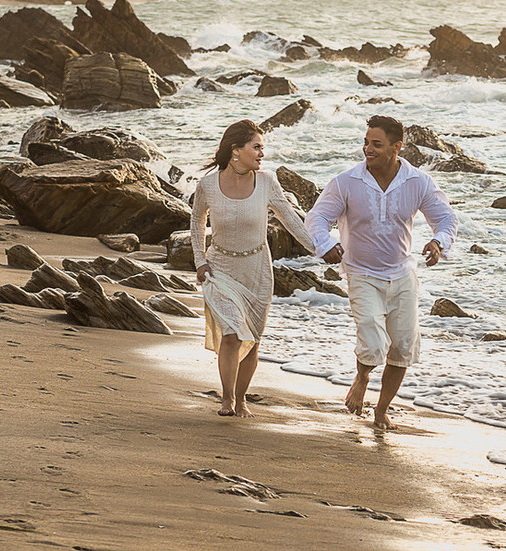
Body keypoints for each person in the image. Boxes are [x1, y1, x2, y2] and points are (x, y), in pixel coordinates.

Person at [305, 115, 458, 430]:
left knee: (402, 347)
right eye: (365, 143)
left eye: (376, 144)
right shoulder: (347, 181)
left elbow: (446, 218)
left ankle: (381, 410)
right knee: (374, 342)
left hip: (403, 274)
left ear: (397, 147)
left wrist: (438, 242)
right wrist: (325, 244)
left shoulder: (419, 182)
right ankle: (361, 377)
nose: (367, 149)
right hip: (361, 273)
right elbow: (317, 217)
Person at [191, 119, 317, 417]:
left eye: (262, 147)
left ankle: (242, 398)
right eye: (256, 147)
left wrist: (320, 248)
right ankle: (227, 399)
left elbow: (290, 219)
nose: (262, 153)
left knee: (252, 340)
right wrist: (199, 260)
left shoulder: (267, 182)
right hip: (220, 269)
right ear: (236, 150)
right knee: (233, 332)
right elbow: (197, 222)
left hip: (258, 270)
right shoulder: (208, 184)